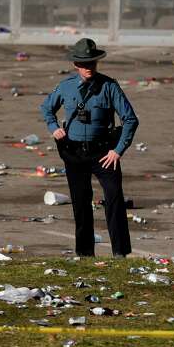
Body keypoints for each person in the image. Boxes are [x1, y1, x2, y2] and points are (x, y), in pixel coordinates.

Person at [39, 38, 139, 258]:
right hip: (74, 152)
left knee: (114, 198)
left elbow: (130, 119)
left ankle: (120, 252)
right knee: (81, 202)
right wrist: (54, 127)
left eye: (92, 63)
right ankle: (85, 254)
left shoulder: (109, 86)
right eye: (84, 64)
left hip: (104, 152)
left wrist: (118, 150)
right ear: (76, 64)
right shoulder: (65, 87)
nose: (88, 68)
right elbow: (47, 108)